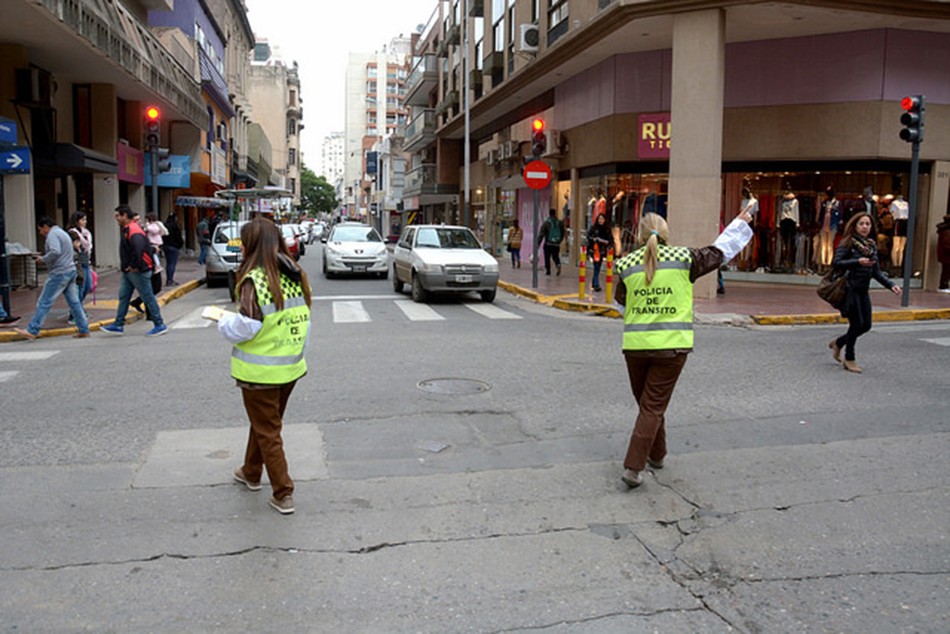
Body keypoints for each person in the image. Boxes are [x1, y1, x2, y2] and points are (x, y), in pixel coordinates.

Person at [613, 210, 754, 489]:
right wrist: (739, 224)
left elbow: (621, 304)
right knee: (652, 406)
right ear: (666, 235)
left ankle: (655, 456)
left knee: (649, 405)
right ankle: (636, 465)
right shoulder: (683, 258)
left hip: (636, 347)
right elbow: (719, 252)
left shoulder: (626, 264)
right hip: (671, 348)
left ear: (639, 236)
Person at [217, 218, 311, 515]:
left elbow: (246, 327)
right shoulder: (294, 274)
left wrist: (222, 321)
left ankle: (283, 492)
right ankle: (250, 471)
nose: (241, 247)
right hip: (290, 367)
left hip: (260, 372)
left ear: (254, 245)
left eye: (243, 241)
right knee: (266, 424)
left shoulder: (255, 280)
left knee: (268, 430)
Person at [828, 212, 901, 374]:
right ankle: (849, 358)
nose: (865, 227)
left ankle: (839, 342)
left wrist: (891, 285)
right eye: (861, 224)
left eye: (868, 224)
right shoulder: (848, 243)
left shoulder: (870, 246)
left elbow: (876, 272)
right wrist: (856, 262)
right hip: (849, 289)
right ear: (855, 226)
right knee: (856, 324)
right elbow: (837, 263)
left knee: (866, 325)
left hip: (863, 290)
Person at [14, 217, 90, 340]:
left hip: (59, 272)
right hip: (70, 270)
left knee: (44, 301)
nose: (40, 233)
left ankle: (32, 329)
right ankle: (84, 329)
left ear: (45, 227)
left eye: (40, 229)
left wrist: (42, 259)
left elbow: (55, 251)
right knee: (74, 302)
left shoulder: (52, 235)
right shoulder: (62, 233)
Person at [100, 205, 167, 337]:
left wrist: (133, 265)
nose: (116, 219)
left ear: (124, 215)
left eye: (117, 216)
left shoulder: (133, 230)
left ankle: (159, 324)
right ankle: (118, 324)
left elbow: (139, 249)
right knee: (124, 296)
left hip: (137, 271)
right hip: (130, 270)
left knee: (147, 296)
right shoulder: (129, 229)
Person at [67, 211, 93, 325]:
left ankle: (78, 309)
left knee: (87, 287)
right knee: (80, 288)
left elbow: (88, 246)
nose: (85, 222)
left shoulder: (86, 233)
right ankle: (74, 314)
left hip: (86, 261)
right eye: (83, 220)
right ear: (76, 221)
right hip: (78, 263)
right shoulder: (73, 232)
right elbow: (74, 246)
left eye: (85, 219)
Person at [587, 213, 611, 292]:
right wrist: (594, 239)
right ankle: (596, 284)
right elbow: (588, 236)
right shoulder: (594, 228)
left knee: (597, 267)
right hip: (594, 250)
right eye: (599, 219)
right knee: (596, 267)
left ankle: (594, 283)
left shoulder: (607, 229)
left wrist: (604, 242)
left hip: (602, 251)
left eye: (602, 219)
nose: (601, 221)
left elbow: (610, 240)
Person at [538, 208, 564, 276]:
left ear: (549, 213)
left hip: (548, 244)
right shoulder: (560, 222)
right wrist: (559, 241)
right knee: (555, 256)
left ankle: (548, 270)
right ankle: (558, 264)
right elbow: (563, 233)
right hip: (556, 244)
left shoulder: (546, 223)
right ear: (555, 213)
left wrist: (538, 243)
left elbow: (541, 234)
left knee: (547, 257)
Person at [162, 212, 184, 286]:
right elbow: (178, 237)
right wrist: (179, 244)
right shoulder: (175, 226)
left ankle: (169, 279)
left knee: (168, 263)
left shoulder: (165, 226)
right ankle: (170, 280)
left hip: (166, 246)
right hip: (174, 247)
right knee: (172, 264)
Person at [937, 213, 950, 293]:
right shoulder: (947, 232)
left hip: (944, 255)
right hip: (947, 255)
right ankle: (944, 285)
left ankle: (944, 285)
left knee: (945, 270)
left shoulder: (943, 231)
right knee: (946, 271)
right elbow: (947, 244)